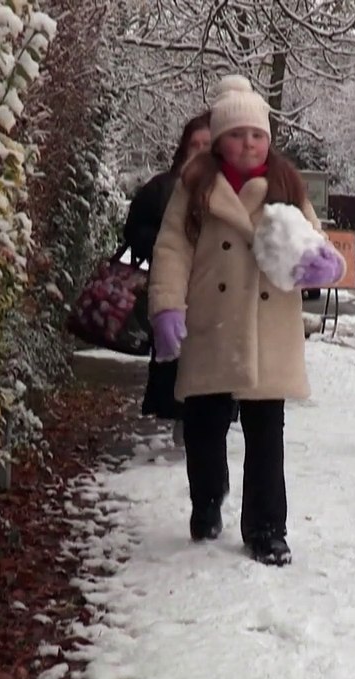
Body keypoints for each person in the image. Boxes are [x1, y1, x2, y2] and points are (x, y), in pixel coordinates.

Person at [147, 75, 344, 566]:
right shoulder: (194, 185)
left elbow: (311, 237)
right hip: (213, 322)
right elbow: (171, 249)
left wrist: (323, 263)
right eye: (237, 134)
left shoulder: (285, 183)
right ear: (218, 140)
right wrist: (167, 307)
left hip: (267, 324)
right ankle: (207, 498)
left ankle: (266, 528)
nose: (248, 143)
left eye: (257, 134)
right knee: (204, 423)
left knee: (266, 432)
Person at [123, 111, 215, 445]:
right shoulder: (163, 187)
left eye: (208, 144)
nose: (201, 150)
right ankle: (181, 423)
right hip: (175, 290)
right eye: (196, 144)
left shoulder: (231, 191)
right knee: (177, 357)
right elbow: (135, 229)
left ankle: (204, 423)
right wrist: (163, 245)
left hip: (214, 293)